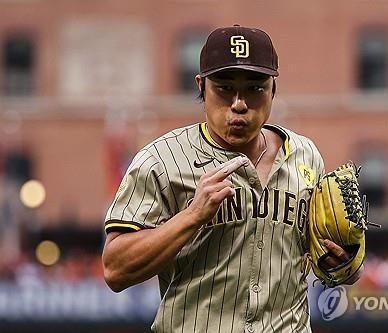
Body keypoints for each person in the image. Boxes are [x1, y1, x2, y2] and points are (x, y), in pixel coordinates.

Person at [102, 24, 361, 333]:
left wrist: (341, 260)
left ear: (273, 89)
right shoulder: (161, 160)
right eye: (224, 88)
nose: (239, 103)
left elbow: (333, 266)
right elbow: (115, 269)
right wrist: (192, 216)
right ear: (201, 86)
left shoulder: (305, 155)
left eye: (255, 88)